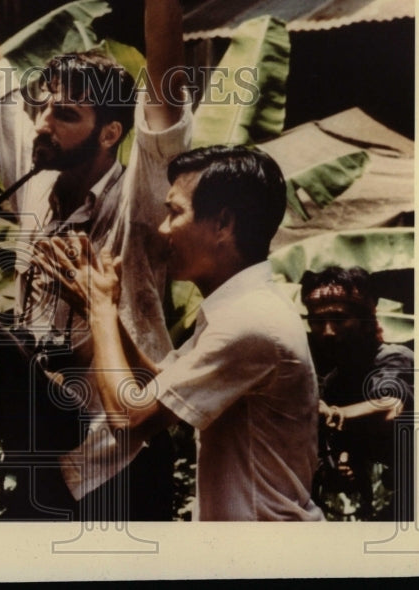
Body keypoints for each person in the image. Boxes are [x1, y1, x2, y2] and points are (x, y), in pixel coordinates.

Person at [0, 0, 192, 520]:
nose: (43, 123)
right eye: (43, 107)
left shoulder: (141, 199)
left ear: (109, 134)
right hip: (43, 452)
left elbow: (165, 85)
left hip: (119, 452)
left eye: (66, 114)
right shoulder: (37, 175)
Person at [47, 145, 324, 521]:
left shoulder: (251, 320)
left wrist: (99, 309)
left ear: (223, 224)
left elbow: (131, 420)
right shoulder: (240, 308)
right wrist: (100, 309)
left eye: (175, 212)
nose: (163, 229)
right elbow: (157, 385)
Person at [301, 265, 414, 521]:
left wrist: (331, 413)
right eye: (318, 322)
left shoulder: (394, 358)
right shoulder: (336, 380)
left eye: (339, 320)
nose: (328, 331)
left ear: (364, 320)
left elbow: (390, 408)